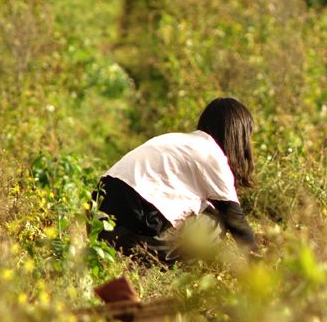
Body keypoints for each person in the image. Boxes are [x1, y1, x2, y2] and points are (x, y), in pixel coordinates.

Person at [94, 97, 257, 263]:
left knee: (206, 208)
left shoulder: (174, 139)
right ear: (238, 135)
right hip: (134, 226)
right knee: (215, 223)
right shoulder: (212, 155)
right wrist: (259, 261)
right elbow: (235, 220)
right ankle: (154, 261)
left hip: (98, 220)